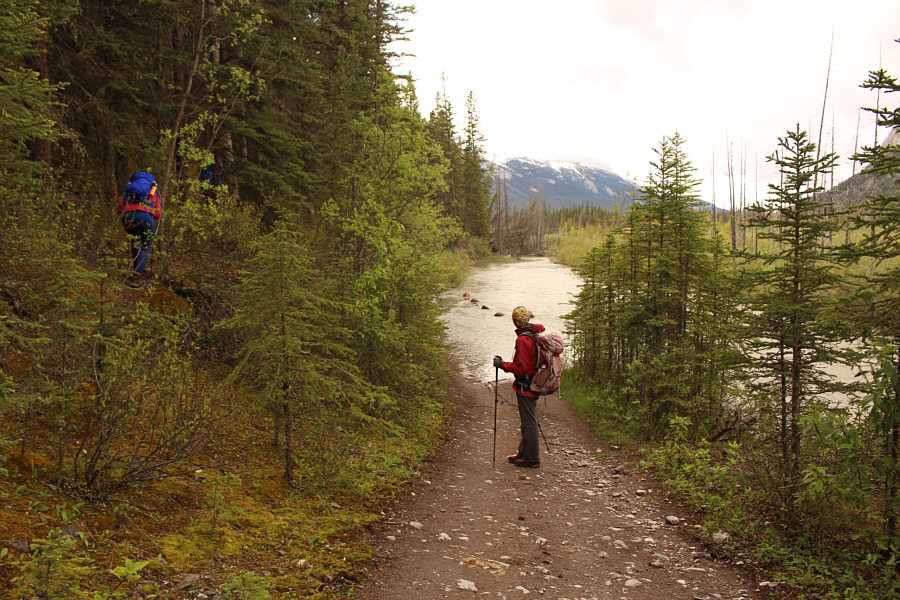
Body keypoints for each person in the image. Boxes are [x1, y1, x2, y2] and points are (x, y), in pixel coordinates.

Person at [493, 306, 545, 468]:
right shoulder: (534, 334)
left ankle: (531, 459)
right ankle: (523, 454)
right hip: (534, 382)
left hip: (526, 386)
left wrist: (502, 364)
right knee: (528, 421)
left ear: (516, 322)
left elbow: (520, 369)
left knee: (528, 422)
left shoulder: (523, 340)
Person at [117, 171, 162, 288]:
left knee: (135, 241)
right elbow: (158, 213)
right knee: (146, 246)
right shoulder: (152, 191)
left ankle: (135, 272)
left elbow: (119, 207)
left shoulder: (130, 190)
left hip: (128, 217)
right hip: (145, 216)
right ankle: (136, 277)